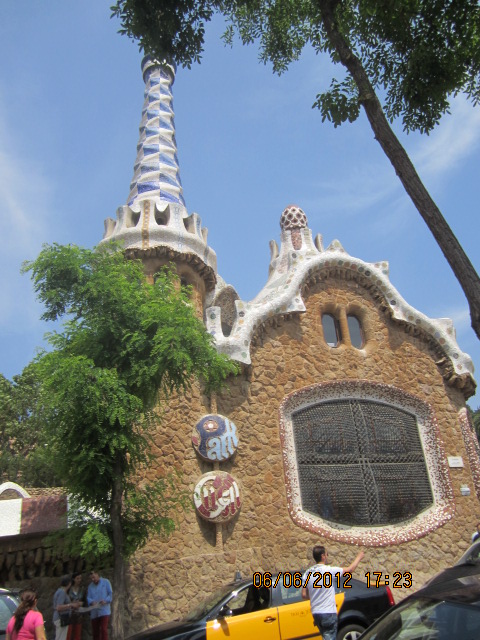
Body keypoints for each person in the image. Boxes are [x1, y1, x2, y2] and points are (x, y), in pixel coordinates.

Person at [302, 545, 365, 640]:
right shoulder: (328, 570)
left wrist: (316, 596)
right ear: (323, 556)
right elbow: (350, 570)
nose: (327, 556)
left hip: (316, 613)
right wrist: (359, 557)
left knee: (326, 636)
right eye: (327, 554)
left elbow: (304, 595)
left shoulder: (307, 573)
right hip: (328, 612)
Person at [86, 571, 112, 640]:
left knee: (103, 629)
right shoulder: (90, 586)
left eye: (94, 577)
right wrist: (91, 602)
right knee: (95, 631)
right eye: (91, 578)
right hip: (94, 611)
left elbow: (110, 594)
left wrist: (105, 600)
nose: (93, 579)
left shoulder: (106, 582)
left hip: (104, 610)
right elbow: (88, 597)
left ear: (97, 574)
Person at [66, 573, 85, 640]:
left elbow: (85, 601)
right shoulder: (69, 589)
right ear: (74, 579)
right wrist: (71, 603)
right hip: (70, 613)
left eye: (80, 578)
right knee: (68, 633)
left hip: (79, 614)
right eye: (77, 578)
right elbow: (65, 600)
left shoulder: (82, 589)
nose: (79, 580)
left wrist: (81, 603)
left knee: (77, 634)